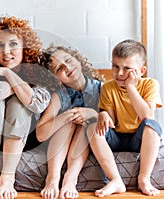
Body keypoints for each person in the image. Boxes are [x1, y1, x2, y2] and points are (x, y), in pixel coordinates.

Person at [0, 16, 51, 199]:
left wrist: (7, 74)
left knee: (19, 105)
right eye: (0, 45)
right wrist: (21, 87)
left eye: (13, 44)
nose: (6, 51)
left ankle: (8, 178)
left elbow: (37, 104)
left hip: (23, 135)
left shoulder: (38, 71)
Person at [90, 39, 162, 197]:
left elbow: (146, 116)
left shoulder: (150, 84)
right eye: (115, 66)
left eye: (127, 68)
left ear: (141, 71)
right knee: (92, 128)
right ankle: (115, 180)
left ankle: (144, 179)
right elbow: (112, 122)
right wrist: (102, 114)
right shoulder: (108, 87)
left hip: (139, 138)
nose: (119, 73)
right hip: (117, 138)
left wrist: (130, 87)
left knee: (152, 125)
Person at [36, 44, 105, 199]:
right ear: (55, 78)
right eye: (59, 68)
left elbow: (114, 123)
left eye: (68, 60)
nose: (67, 67)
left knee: (86, 122)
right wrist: (68, 115)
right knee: (69, 121)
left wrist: (92, 113)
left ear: (78, 59)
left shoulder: (102, 89)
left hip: (90, 137)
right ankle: (52, 179)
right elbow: (40, 135)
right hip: (61, 140)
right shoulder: (59, 95)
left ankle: (70, 179)